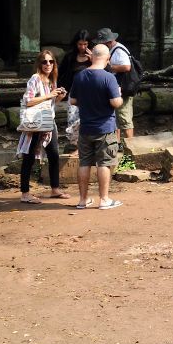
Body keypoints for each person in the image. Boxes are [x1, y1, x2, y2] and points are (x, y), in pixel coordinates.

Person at [69, 43, 124, 210]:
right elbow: (115, 103)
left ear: (92, 56)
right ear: (107, 59)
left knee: (84, 162)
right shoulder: (109, 78)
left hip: (85, 127)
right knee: (104, 163)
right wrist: (119, 96)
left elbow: (72, 101)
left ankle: (82, 200)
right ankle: (104, 199)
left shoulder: (80, 76)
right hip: (105, 128)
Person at [17, 48, 68, 203]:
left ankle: (55, 189)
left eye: (51, 61)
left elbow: (50, 103)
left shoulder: (51, 80)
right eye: (44, 61)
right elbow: (28, 101)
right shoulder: (35, 79)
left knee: (54, 155)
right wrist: (49, 95)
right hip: (35, 122)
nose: (48, 64)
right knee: (29, 157)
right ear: (39, 64)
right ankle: (25, 193)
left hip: (48, 121)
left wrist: (59, 97)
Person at [95, 28, 135, 140]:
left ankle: (131, 148)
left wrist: (109, 67)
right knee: (116, 118)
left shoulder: (118, 50)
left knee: (124, 118)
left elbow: (127, 67)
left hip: (124, 88)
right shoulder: (112, 49)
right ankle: (116, 145)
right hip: (116, 88)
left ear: (108, 42)